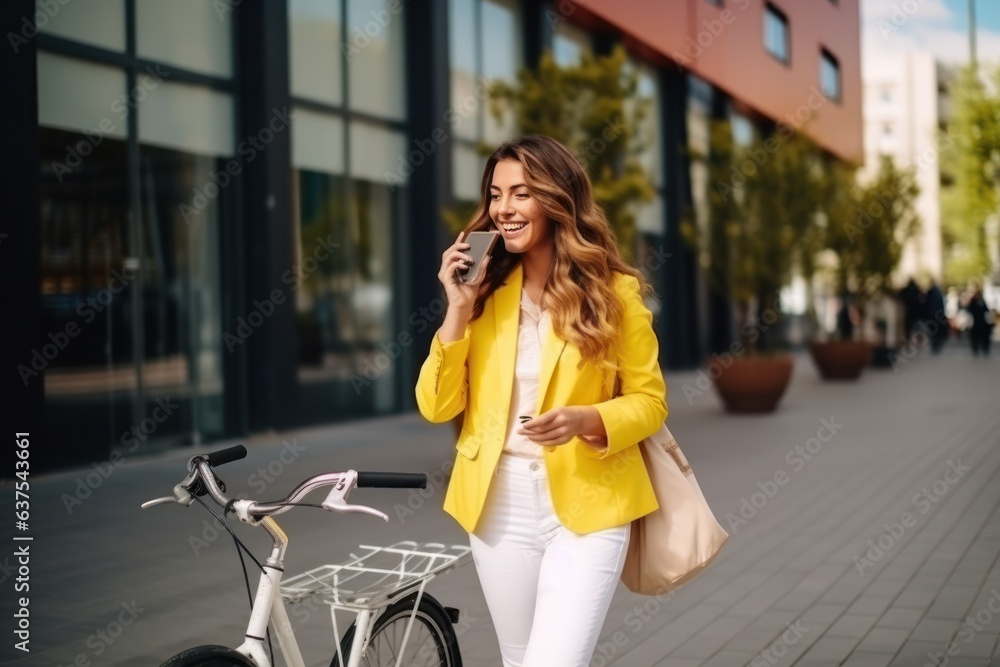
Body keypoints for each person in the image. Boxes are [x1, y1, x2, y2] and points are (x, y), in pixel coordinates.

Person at [415, 135, 667, 666]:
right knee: (520, 658)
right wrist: (456, 310)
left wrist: (588, 418)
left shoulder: (613, 293)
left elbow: (649, 402)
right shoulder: (481, 292)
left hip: (590, 501)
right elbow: (436, 407)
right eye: (496, 193)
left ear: (557, 200)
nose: (503, 209)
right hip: (497, 501)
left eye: (521, 193)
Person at [964, 286, 993, 357]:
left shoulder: (981, 302)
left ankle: (983, 351)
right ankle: (977, 351)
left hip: (981, 324)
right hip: (976, 324)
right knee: (976, 339)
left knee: (982, 339)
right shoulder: (974, 302)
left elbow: (987, 311)